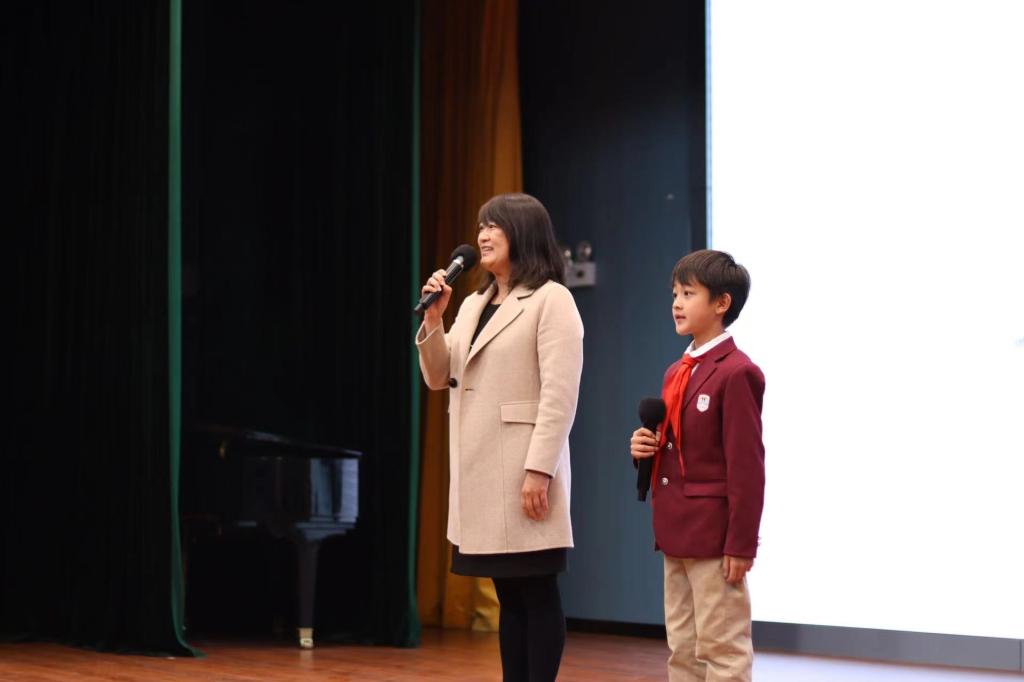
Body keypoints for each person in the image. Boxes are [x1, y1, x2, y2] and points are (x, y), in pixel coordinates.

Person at [416, 193, 584, 682]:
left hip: (523, 468)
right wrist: (434, 319)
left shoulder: (552, 299)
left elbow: (559, 394)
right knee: (509, 596)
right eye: (480, 226)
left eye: (494, 226)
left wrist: (540, 469)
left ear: (523, 234)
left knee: (536, 590)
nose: (483, 235)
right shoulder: (472, 304)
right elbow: (438, 376)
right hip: (480, 470)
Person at [629, 249, 765, 682]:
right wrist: (645, 448)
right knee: (683, 650)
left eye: (689, 294)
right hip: (674, 530)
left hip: (714, 536)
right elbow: (677, 448)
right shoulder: (676, 371)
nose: (677, 303)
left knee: (723, 650)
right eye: (675, 293)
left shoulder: (737, 372)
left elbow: (747, 467)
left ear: (722, 303)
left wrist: (741, 544)